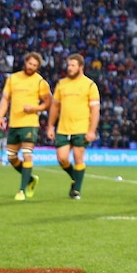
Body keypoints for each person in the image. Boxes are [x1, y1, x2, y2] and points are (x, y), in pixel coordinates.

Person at [0, 52, 51, 201]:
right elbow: (5, 99)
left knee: (27, 154)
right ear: (25, 62)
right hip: (14, 123)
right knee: (12, 157)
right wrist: (0, 116)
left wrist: (34, 109)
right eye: (30, 64)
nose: (31, 67)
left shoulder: (40, 82)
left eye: (35, 65)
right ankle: (30, 179)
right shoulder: (13, 79)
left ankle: (21, 190)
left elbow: (48, 102)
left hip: (30, 124)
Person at [46, 53, 100, 200]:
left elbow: (95, 110)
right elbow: (55, 107)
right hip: (63, 128)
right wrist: (50, 126)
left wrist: (91, 130)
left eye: (73, 65)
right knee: (62, 158)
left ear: (80, 67)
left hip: (81, 128)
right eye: (68, 65)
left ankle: (76, 190)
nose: (69, 68)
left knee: (78, 157)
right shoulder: (61, 84)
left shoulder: (89, 85)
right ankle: (76, 177)